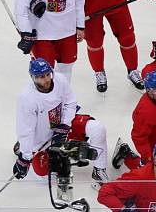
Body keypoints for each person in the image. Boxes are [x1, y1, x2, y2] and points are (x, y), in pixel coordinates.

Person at [14, 58, 109, 186]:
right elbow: (26, 130)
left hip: (64, 127)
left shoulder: (59, 79)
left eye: (48, 74)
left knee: (98, 129)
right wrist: (24, 157)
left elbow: (70, 102)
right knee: (46, 178)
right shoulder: (27, 98)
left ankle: (99, 169)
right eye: (42, 77)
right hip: (42, 141)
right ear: (33, 78)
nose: (47, 79)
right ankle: (25, 147)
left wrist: (64, 125)